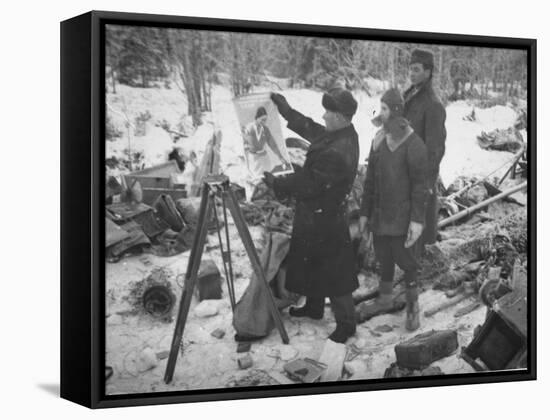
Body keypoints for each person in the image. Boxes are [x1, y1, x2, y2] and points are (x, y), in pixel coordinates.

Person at [265, 88, 359, 343]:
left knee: (335, 271)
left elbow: (309, 182)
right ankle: (315, 307)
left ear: (340, 116)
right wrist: (286, 111)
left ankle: (347, 323)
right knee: (314, 261)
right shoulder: (340, 134)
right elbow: (312, 129)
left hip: (327, 217)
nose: (324, 116)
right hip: (316, 212)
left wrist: (278, 183)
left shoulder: (339, 150)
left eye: (328, 112)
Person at [359, 88, 428, 331]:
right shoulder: (378, 140)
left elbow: (421, 187)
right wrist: (365, 213)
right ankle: (386, 298)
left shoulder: (413, 144)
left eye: (385, 109)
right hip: (380, 215)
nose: (381, 113)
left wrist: (417, 221)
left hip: (403, 218)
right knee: (384, 259)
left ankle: (412, 307)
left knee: (408, 263)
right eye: (381, 107)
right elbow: (369, 182)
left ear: (396, 111)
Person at [403, 49, 447, 249]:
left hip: (420, 177)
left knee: (420, 232)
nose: (411, 74)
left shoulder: (432, 104)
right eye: (410, 69)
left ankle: (419, 271)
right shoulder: (411, 94)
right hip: (405, 171)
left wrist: (424, 183)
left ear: (428, 72)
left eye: (416, 69)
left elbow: (435, 150)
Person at [243, 106, 290, 179]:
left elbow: (272, 144)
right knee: (257, 179)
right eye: (262, 120)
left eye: (265, 120)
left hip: (265, 158)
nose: (264, 122)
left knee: (270, 177)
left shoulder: (265, 129)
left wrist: (280, 157)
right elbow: (245, 146)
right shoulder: (248, 128)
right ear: (257, 118)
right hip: (254, 159)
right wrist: (246, 162)